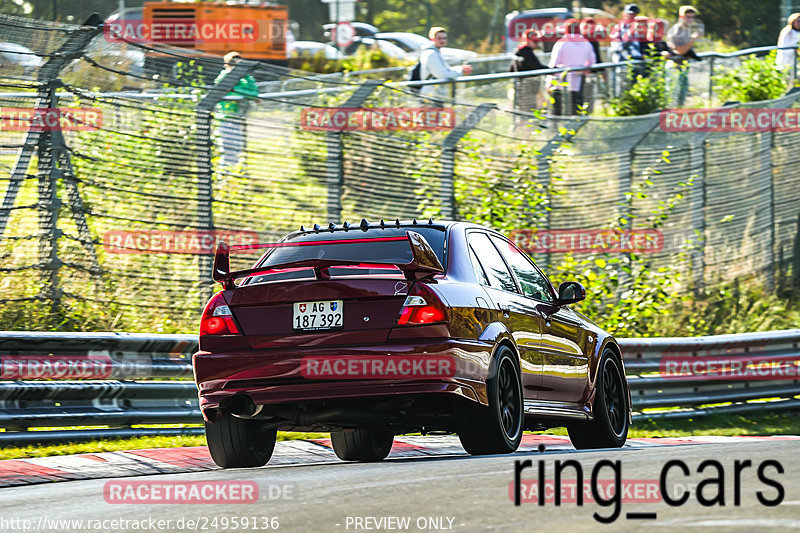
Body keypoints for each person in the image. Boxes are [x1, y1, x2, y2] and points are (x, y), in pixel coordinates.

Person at [214, 51, 259, 168]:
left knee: (239, 147)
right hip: (226, 118)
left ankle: (238, 173)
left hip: (239, 118)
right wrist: (242, 93)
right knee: (227, 149)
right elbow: (224, 92)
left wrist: (237, 90)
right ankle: (225, 175)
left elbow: (254, 92)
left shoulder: (246, 78)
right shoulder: (223, 77)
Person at [547, 18, 596, 115]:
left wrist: (549, 82)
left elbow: (554, 64)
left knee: (557, 112)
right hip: (577, 83)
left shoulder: (561, 43)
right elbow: (592, 62)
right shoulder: (586, 43)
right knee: (575, 110)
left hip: (560, 83)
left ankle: (555, 129)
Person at [419, 27, 472, 101]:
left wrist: (460, 69)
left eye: (444, 38)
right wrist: (461, 71)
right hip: (431, 96)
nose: (442, 41)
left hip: (435, 94)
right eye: (439, 38)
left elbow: (443, 70)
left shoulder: (435, 52)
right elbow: (441, 74)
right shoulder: (431, 54)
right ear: (432, 39)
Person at [666, 5, 703, 106]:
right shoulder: (676, 30)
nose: (690, 20)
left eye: (692, 17)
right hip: (674, 68)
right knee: (672, 99)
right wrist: (693, 38)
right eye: (688, 17)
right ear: (681, 17)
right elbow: (680, 51)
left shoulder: (686, 30)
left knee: (681, 101)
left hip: (682, 68)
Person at [509, 29, 546, 114]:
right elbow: (537, 67)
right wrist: (553, 70)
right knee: (528, 111)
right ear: (528, 40)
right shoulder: (527, 53)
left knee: (520, 111)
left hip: (518, 86)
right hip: (528, 88)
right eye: (535, 41)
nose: (537, 44)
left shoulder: (517, 51)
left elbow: (511, 69)